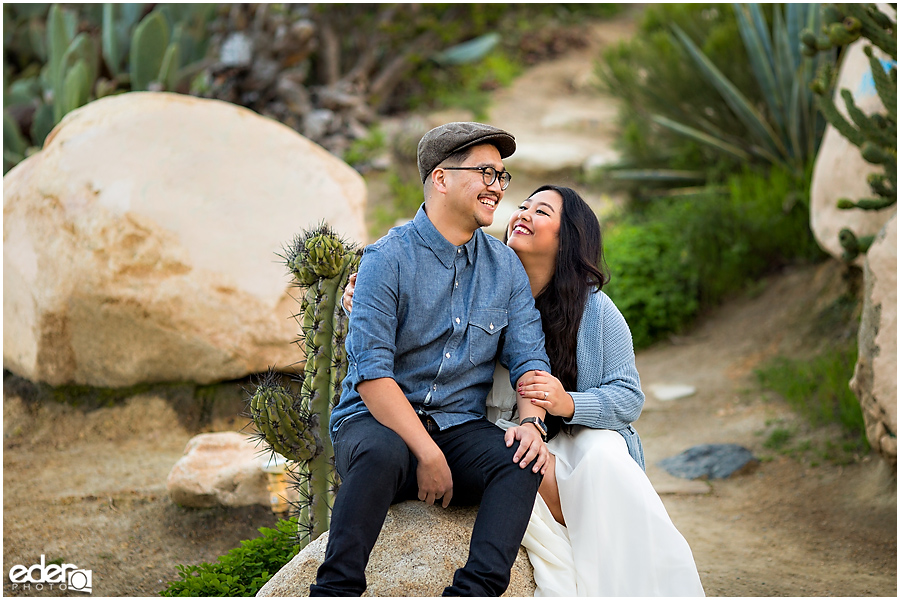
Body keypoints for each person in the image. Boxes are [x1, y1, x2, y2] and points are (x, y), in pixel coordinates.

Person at [344, 184, 705, 597]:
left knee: (600, 460)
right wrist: (360, 296)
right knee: (522, 461)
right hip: (481, 432)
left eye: (542, 212)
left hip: (566, 434)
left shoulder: (595, 311)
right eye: (523, 206)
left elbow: (628, 396)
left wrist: (566, 402)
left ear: (568, 237)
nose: (523, 214)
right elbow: (415, 311)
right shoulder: (483, 278)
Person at [311, 122, 554, 597]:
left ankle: (473, 592)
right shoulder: (386, 259)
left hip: (458, 427)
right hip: (376, 424)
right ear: (441, 178)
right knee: (383, 453)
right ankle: (334, 589)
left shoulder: (504, 267)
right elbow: (372, 377)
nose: (497, 187)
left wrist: (532, 424)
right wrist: (428, 454)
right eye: (486, 172)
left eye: (502, 176)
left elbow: (530, 361)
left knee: (521, 459)